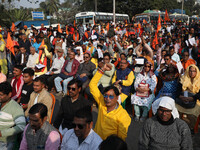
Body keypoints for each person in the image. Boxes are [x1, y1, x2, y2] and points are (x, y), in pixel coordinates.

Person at [89, 63, 131, 141]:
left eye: (111, 96)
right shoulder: (102, 102)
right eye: (105, 95)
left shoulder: (124, 116)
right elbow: (92, 85)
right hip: (94, 139)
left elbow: (121, 139)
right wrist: (102, 70)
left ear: (117, 98)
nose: (107, 98)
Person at [0, 81, 26, 149]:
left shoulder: (16, 108)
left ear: (9, 94)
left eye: (1, 95)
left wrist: (2, 133)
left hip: (5, 142)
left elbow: (21, 126)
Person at [175, 64, 200, 130]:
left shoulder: (199, 80)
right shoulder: (183, 78)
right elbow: (177, 91)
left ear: (196, 72)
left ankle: (191, 128)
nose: (192, 73)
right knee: (175, 110)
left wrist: (192, 98)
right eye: (190, 71)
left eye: (194, 71)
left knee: (192, 115)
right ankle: (178, 126)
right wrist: (181, 97)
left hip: (195, 100)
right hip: (182, 99)